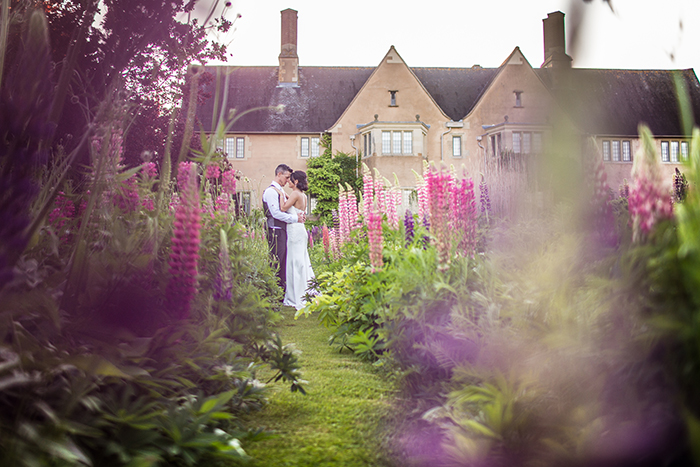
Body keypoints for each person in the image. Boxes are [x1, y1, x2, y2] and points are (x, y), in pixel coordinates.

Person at [274, 170, 315, 310]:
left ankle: (296, 296)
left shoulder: (295, 194)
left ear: (296, 181)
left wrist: (280, 195)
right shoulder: (301, 195)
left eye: (291, 179)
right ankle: (306, 292)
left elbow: (283, 208)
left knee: (294, 263)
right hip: (300, 230)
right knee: (301, 261)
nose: (289, 182)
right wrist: (286, 195)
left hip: (294, 232)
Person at [262, 164, 304, 291]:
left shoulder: (281, 192)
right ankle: (275, 290)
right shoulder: (270, 191)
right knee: (276, 261)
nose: (288, 181)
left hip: (283, 231)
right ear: (279, 174)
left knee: (283, 261)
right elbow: (276, 213)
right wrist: (295, 218)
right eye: (286, 177)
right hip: (275, 230)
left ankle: (282, 290)